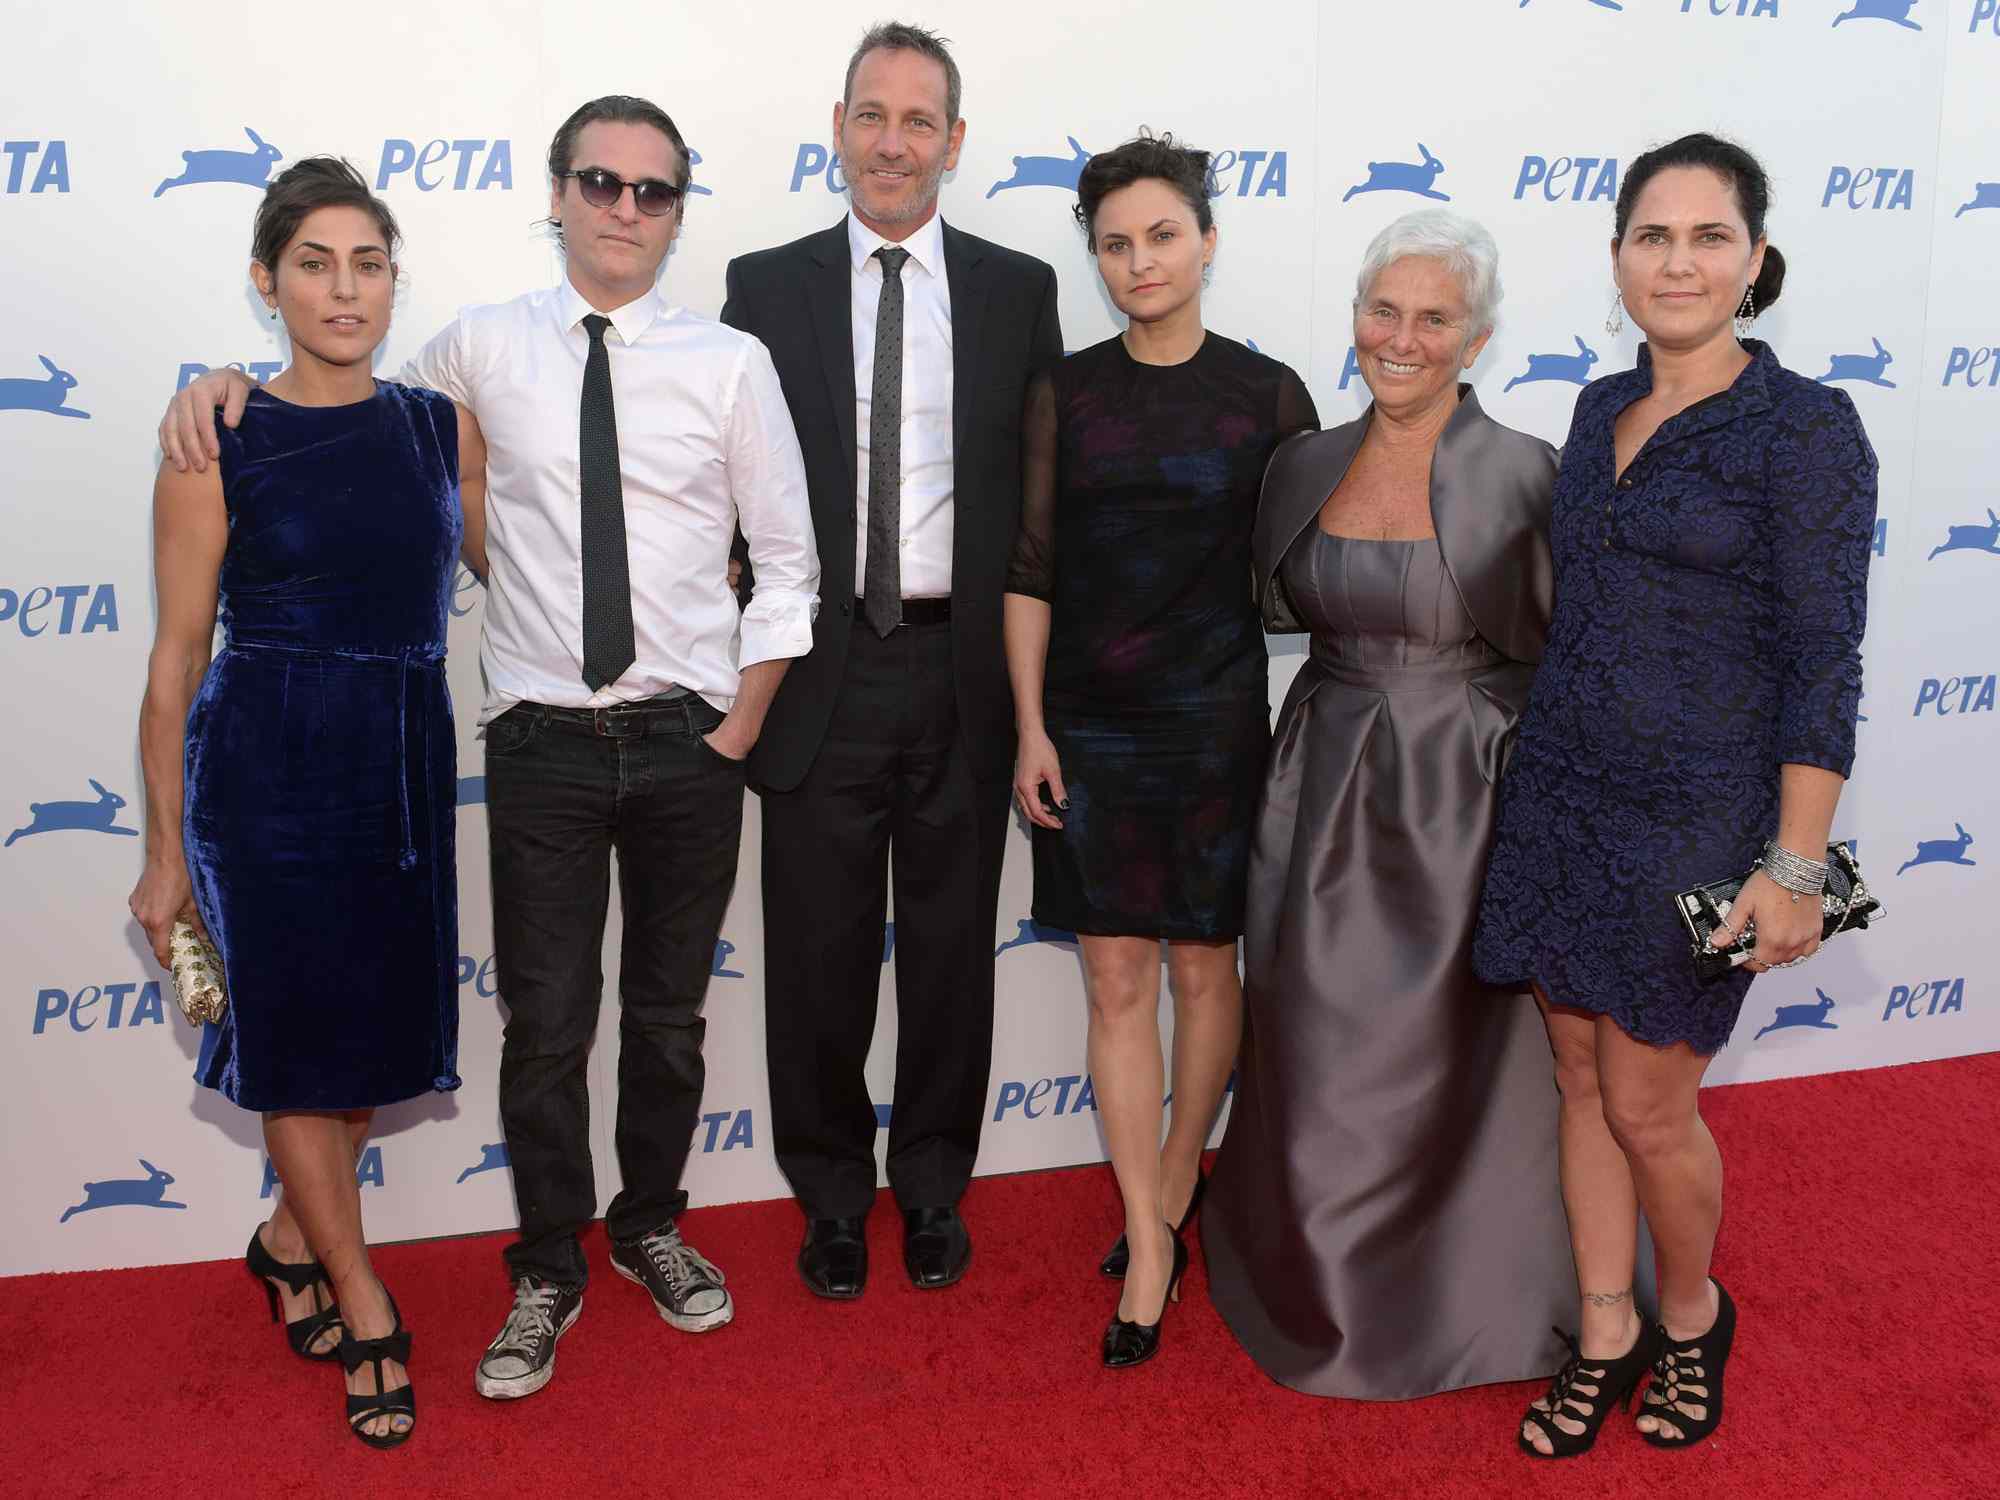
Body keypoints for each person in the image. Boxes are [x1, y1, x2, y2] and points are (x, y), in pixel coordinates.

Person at [156, 96, 821, 1401]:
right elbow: (335, 414)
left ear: (678, 211)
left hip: (692, 737)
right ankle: (549, 1268)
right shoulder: (473, 352)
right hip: (536, 741)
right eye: (602, 182)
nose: (626, 208)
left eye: (654, 190)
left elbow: (788, 562)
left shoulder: (732, 360)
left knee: (673, 1020)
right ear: (559, 194)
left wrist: (737, 724)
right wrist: (217, 382)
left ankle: (650, 1226)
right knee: (544, 1028)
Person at [1473, 133, 1877, 1456]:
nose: (1680, 261)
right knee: (1579, 1076)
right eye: (1654, 235)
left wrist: (1798, 865)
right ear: (1616, 259)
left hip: (1700, 819)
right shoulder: (1596, 410)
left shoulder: (1808, 427)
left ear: (1755, 261)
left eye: (1710, 237)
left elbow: (1825, 659)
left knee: (1651, 1101)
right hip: (1564, 796)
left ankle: (1693, 1315)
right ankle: (1607, 1330)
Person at [131, 157, 488, 1448]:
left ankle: (288, 1237)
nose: (345, 288)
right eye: (315, 263)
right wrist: (166, 852)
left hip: (399, 761)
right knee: (296, 1048)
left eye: (368, 262)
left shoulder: (437, 425)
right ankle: (365, 1302)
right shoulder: (214, 434)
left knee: (365, 1061)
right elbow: (175, 659)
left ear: (395, 278)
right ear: (266, 281)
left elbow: (532, 562)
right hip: (267, 776)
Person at [1199, 209, 1574, 1398]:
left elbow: (1562, 652)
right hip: (1317, 779)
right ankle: (1306, 1274)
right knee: (1311, 1038)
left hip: (1465, 791)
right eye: (1381, 311)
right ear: (1352, 318)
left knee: (1451, 1040)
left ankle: (1474, 1289)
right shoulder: (1301, 463)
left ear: (1475, 339)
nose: (1400, 339)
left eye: (1432, 318)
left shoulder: (1524, 470)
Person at [721, 22, 1061, 1299]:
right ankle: (825, 1193)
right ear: (837, 129)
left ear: (954, 145)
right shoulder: (763, 287)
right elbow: (722, 487)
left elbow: (1036, 512)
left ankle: (929, 1186)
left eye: (920, 122)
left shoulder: (1018, 290)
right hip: (816, 671)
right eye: (873, 116)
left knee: (948, 955)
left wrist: (1037, 693)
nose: (893, 143)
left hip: (961, 671)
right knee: (810, 957)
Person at [1003, 134, 1317, 1367]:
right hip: (1085, 723)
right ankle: (1145, 1234)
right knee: (1114, 982)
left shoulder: (1267, 393)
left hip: (1214, 720)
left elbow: (1305, 574)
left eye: (1160, 237)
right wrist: (1030, 725)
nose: (1139, 262)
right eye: (1114, 244)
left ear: (1205, 240)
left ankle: (1179, 1173)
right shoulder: (1065, 392)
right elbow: (1029, 571)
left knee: (1203, 974)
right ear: (1094, 258)